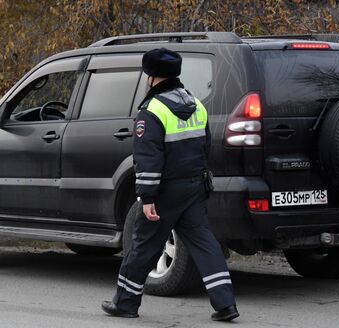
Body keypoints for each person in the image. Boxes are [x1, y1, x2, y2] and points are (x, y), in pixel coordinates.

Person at [101, 48, 239, 322]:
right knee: (204, 243)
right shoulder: (196, 104)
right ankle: (226, 304)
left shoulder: (152, 110)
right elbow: (205, 148)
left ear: (151, 77)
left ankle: (125, 303)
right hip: (194, 187)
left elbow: (148, 158)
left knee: (143, 244)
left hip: (165, 192)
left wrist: (148, 197)